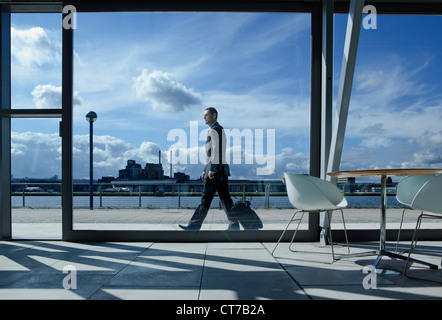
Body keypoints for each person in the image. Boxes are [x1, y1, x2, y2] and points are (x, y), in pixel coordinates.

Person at [179, 107, 239, 231]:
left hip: (215, 171)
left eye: (206, 115)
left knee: (206, 198)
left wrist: (211, 170)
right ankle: (234, 224)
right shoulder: (215, 129)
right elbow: (212, 153)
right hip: (218, 169)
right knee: (225, 198)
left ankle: (194, 226)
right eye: (204, 115)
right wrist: (205, 169)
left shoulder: (216, 129)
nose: (204, 117)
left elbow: (217, 150)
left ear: (214, 115)